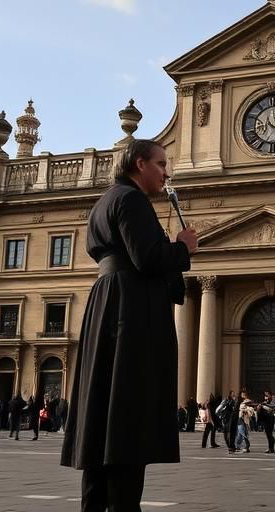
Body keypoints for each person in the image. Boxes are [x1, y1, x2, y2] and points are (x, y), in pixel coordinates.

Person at [60, 139, 197, 512]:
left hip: (109, 301)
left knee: (106, 413)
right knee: (126, 409)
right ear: (140, 164)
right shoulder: (132, 200)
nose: (166, 172)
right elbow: (148, 257)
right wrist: (183, 247)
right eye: (161, 164)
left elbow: (128, 254)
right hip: (130, 309)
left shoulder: (105, 201)